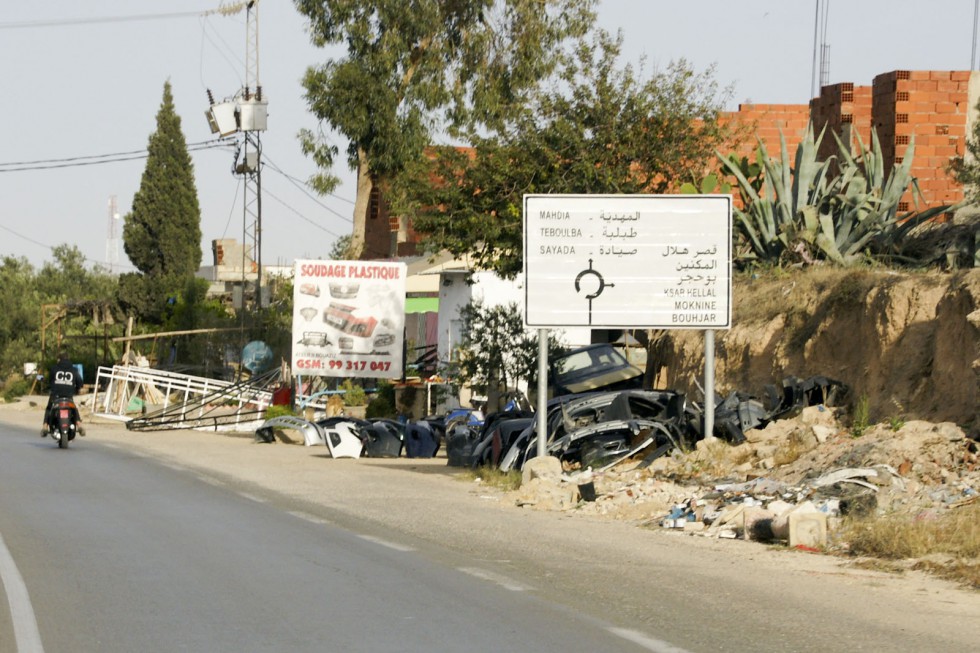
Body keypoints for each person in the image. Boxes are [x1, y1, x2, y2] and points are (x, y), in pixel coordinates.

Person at [41, 351, 84, 437]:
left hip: (55, 396)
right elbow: (80, 383)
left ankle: (45, 426)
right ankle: (79, 424)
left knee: (49, 408)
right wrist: (76, 389)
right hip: (68, 396)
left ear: (59, 359)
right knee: (74, 409)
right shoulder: (74, 370)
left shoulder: (54, 369)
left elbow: (50, 381)